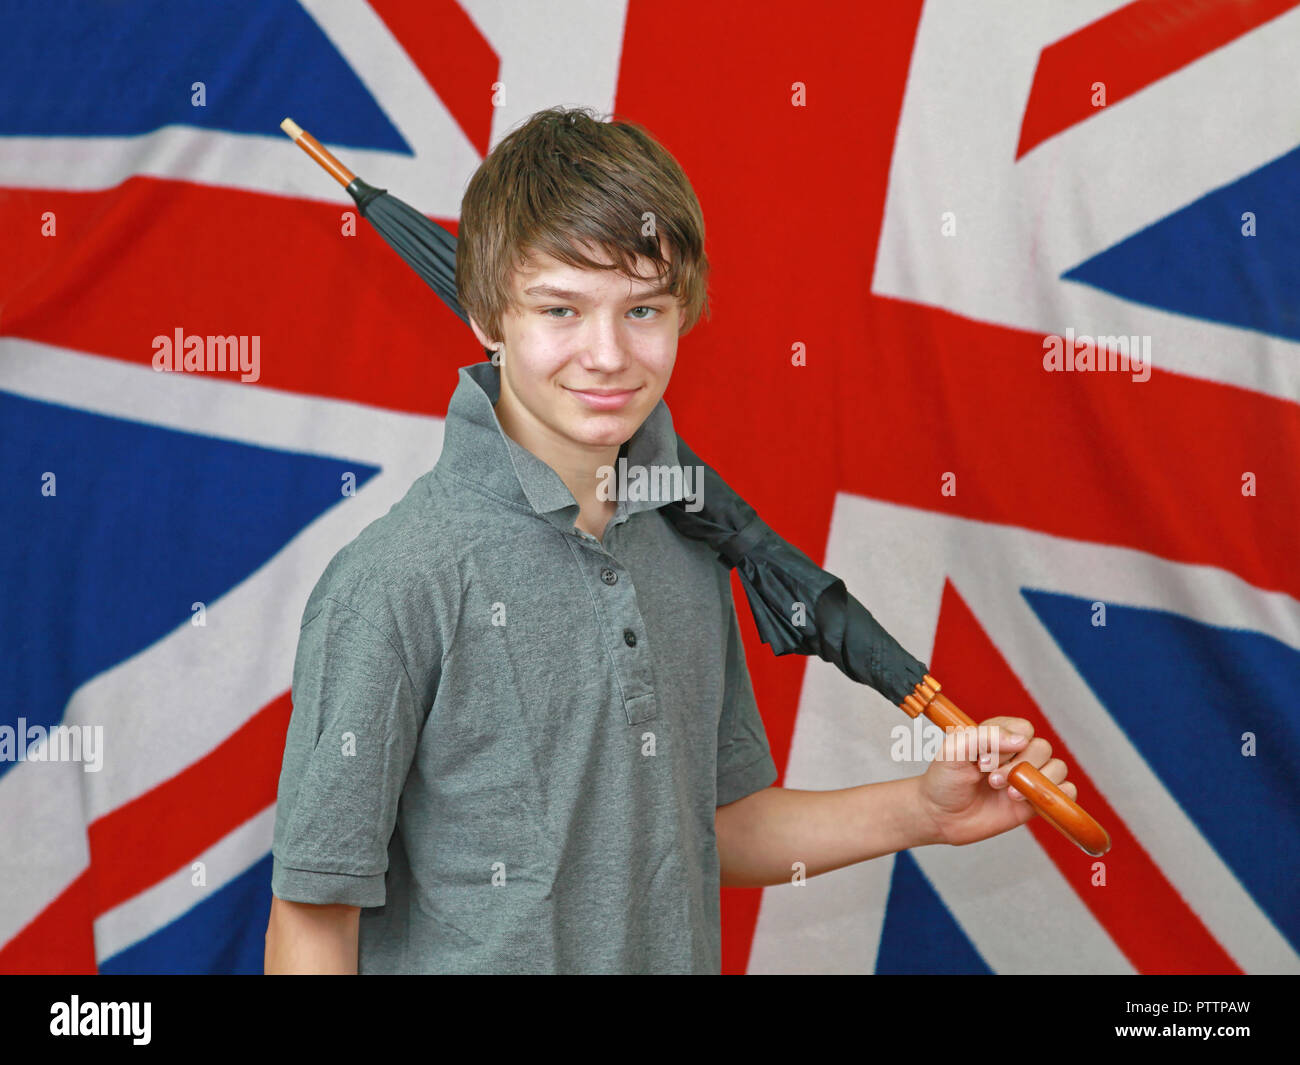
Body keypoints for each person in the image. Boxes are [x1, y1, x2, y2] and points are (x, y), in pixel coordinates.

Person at [263, 106, 1074, 975]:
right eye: (560, 309)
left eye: (642, 308)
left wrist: (926, 810)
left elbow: (708, 825)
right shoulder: (397, 580)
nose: (608, 354)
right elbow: (315, 922)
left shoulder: (682, 541)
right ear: (487, 318)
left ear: (684, 310)